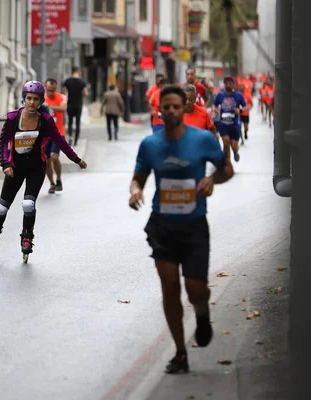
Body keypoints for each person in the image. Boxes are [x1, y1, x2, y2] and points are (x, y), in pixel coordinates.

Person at [129, 85, 234, 374]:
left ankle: (202, 313)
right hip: (162, 225)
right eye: (167, 107)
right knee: (170, 287)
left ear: (184, 108)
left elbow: (226, 170)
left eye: (177, 106)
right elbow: (137, 178)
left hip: (194, 226)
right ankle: (180, 353)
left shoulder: (201, 140)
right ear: (160, 110)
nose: (172, 110)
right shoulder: (150, 144)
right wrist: (135, 191)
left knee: (195, 288)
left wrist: (213, 181)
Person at [0, 81, 88, 262]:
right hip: (15, 169)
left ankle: (27, 237)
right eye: (29, 98)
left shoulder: (46, 121)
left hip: (36, 168)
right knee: (1, 207)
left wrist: (77, 159)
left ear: (41, 100)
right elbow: (3, 143)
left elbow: (60, 142)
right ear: (24, 99)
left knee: (28, 204)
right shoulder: (12, 119)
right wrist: (5, 164)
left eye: (36, 99)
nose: (32, 102)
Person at [211, 76, 246, 162]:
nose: (229, 85)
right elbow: (214, 105)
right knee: (226, 142)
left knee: (234, 146)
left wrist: (240, 110)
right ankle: (227, 162)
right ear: (224, 84)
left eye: (231, 83)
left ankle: (235, 152)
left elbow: (247, 106)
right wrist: (216, 110)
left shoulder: (238, 95)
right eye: (227, 83)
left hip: (235, 125)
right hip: (223, 124)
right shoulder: (220, 94)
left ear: (234, 84)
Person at [43, 78, 67, 194]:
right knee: (46, 161)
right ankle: (52, 183)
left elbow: (63, 108)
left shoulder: (61, 97)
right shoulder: (41, 98)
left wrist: (47, 107)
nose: (51, 93)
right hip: (45, 135)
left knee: (54, 157)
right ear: (45, 88)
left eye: (53, 90)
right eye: (48, 90)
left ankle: (58, 178)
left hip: (58, 133)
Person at [63, 67, 89, 145]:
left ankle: (70, 136)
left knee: (70, 122)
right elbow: (86, 93)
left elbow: (64, 93)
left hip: (70, 104)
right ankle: (76, 140)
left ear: (71, 71)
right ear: (78, 72)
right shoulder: (82, 82)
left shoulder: (67, 81)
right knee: (77, 122)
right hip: (78, 104)